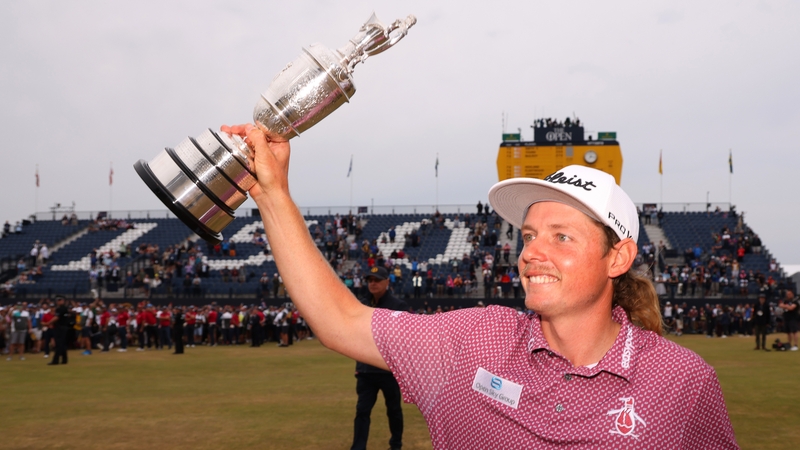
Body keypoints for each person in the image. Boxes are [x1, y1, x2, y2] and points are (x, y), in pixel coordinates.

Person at [222, 126, 738, 448]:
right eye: (529, 235)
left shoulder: (683, 382)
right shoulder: (473, 341)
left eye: (562, 236)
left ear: (617, 257)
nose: (531, 252)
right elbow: (341, 320)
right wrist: (272, 193)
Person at [351, 266, 407, 450]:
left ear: (387, 282)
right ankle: (358, 447)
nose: (373, 283)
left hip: (388, 370)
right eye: (370, 280)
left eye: (377, 280)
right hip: (366, 370)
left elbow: (403, 338)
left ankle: (396, 445)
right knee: (362, 410)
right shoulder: (361, 305)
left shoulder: (398, 306)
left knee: (393, 410)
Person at [47, 296, 71, 365]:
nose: (59, 301)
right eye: (58, 300)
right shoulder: (65, 308)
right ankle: (64, 359)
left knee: (59, 344)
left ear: (63, 301)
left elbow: (56, 317)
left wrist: (49, 322)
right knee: (63, 344)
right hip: (64, 327)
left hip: (60, 328)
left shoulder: (60, 309)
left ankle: (55, 360)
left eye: (60, 300)